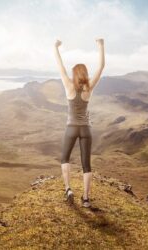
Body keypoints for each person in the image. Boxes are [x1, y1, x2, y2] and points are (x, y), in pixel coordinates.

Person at [54, 38, 105, 207]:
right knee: (86, 165)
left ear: (74, 73)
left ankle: (68, 188)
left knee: (64, 159)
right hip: (86, 130)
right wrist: (101, 46)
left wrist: (56, 47)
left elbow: (59, 66)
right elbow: (101, 67)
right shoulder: (88, 89)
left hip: (71, 128)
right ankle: (86, 198)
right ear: (85, 73)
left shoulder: (68, 85)